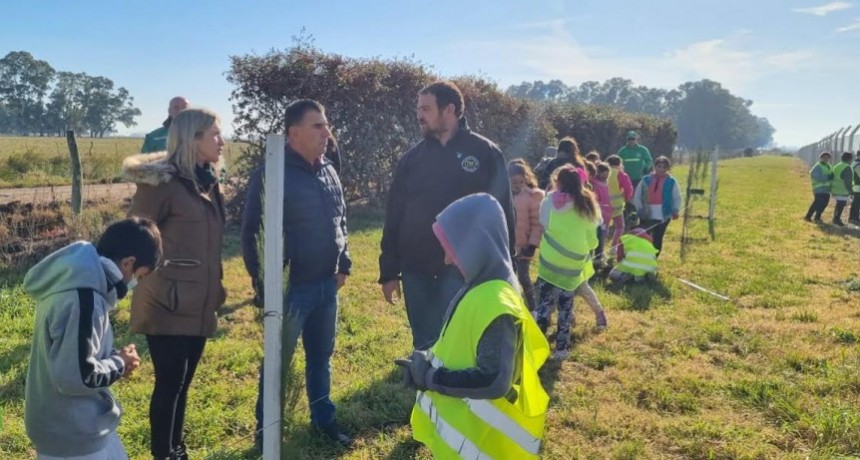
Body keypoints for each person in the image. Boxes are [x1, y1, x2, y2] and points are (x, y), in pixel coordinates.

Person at [395, 193, 550, 460]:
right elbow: (460, 344)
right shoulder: (479, 287)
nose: (446, 259)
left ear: (476, 244)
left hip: (484, 446)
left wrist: (433, 378)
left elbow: (493, 380)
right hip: (469, 442)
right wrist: (424, 365)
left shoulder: (496, 301)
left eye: (451, 248)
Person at [241, 99, 353, 447]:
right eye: (317, 126)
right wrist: (266, 286)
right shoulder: (271, 174)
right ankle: (267, 432)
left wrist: (343, 264)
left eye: (326, 124)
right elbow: (251, 235)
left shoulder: (329, 170)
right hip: (291, 291)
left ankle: (324, 421)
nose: (326, 132)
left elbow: (341, 220)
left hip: (326, 285)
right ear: (293, 133)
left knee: (321, 358)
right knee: (278, 364)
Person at [379, 81, 515, 351]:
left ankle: (458, 390)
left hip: (464, 269)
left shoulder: (485, 153)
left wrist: (505, 267)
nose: (419, 115)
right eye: (418, 108)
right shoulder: (411, 160)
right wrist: (388, 271)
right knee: (424, 342)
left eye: (426, 108)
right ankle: (426, 389)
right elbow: (394, 215)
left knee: (461, 342)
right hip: (416, 267)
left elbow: (502, 215)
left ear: (449, 109)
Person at [123, 107, 227, 460]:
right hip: (167, 300)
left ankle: (177, 450)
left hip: (199, 299)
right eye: (214, 134)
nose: (222, 141)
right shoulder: (162, 185)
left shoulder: (208, 182)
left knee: (183, 384)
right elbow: (136, 236)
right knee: (169, 383)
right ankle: (162, 454)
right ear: (193, 139)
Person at [23, 218, 162, 460]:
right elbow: (75, 376)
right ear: (128, 263)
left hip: (76, 425)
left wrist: (114, 358)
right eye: (139, 277)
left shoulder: (77, 282)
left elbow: (74, 354)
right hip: (72, 433)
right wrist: (120, 363)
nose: (134, 285)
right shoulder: (84, 299)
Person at [535, 165, 608, 360]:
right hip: (573, 263)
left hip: (549, 261)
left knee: (543, 303)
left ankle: (537, 346)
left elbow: (544, 223)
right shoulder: (586, 202)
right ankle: (561, 349)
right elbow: (594, 233)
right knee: (566, 307)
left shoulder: (550, 200)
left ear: (557, 181)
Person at [508, 159, 544, 311]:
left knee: (524, 277)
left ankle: (533, 308)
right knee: (509, 277)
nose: (517, 185)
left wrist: (532, 245)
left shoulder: (532, 197)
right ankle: (512, 307)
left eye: (520, 182)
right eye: (513, 182)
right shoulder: (503, 196)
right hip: (508, 246)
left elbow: (537, 224)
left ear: (526, 179)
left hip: (524, 247)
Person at [632, 156, 682, 257]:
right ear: (655, 167)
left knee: (658, 237)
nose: (661, 169)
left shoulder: (671, 182)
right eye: (659, 167)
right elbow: (637, 195)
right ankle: (642, 257)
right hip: (647, 213)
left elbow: (677, 197)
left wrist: (675, 209)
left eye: (664, 167)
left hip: (664, 214)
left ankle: (653, 259)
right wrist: (639, 209)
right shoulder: (645, 180)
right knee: (645, 236)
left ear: (668, 168)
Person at [609, 214, 659, 284]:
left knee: (612, 273)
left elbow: (619, 258)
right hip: (650, 267)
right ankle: (647, 276)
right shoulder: (649, 241)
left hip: (631, 267)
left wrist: (621, 263)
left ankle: (624, 275)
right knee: (642, 272)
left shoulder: (624, 238)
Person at [606, 155, 634, 255]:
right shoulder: (622, 175)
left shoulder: (604, 173)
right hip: (617, 205)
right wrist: (626, 199)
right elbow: (628, 189)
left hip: (604, 205)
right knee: (620, 226)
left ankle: (599, 248)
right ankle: (613, 247)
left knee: (603, 227)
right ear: (620, 164)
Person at [587, 161, 613, 268]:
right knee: (594, 237)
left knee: (602, 238)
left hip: (605, 216)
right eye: (604, 173)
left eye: (607, 173)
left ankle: (599, 258)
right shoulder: (594, 184)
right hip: (597, 215)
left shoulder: (605, 185)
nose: (606, 176)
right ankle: (590, 259)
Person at [804, 151, 833, 223]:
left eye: (828, 157)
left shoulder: (829, 166)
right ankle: (808, 216)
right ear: (821, 158)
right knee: (817, 202)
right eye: (824, 157)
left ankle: (817, 217)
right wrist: (828, 177)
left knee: (824, 203)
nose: (826, 159)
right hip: (819, 188)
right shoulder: (818, 166)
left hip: (826, 189)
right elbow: (815, 175)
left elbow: (831, 175)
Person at [830, 151, 854, 226]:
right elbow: (848, 182)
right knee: (841, 205)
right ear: (849, 159)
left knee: (838, 204)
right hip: (842, 190)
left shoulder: (837, 165)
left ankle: (835, 218)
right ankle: (836, 220)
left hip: (835, 189)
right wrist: (851, 191)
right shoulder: (847, 167)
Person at [849, 151, 860, 225]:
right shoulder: (858, 165)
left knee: (855, 203)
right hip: (858, 187)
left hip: (855, 187)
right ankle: (854, 218)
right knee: (856, 204)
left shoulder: (854, 163)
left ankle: (852, 218)